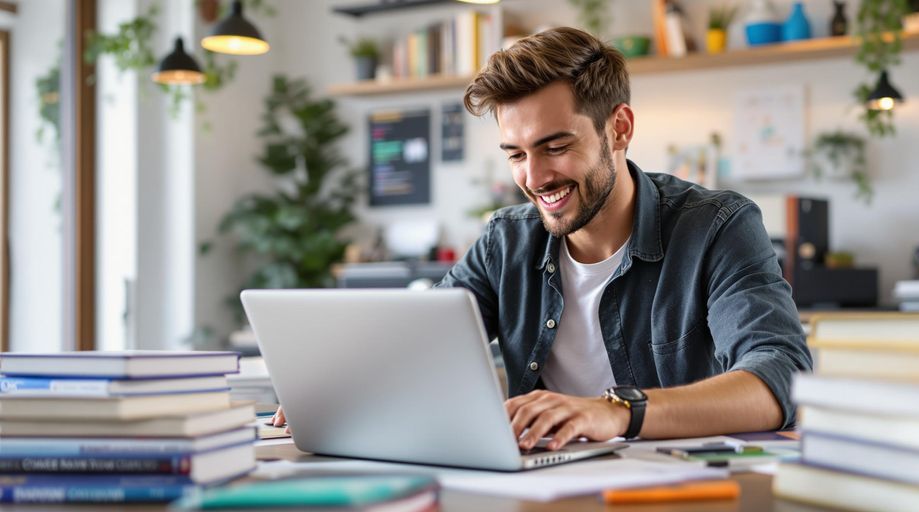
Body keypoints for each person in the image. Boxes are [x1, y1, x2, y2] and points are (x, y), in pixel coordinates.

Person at [274, 27, 812, 451]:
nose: (534, 177)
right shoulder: (505, 242)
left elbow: (781, 377)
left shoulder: (717, 228)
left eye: (555, 146)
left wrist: (615, 412)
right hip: (537, 484)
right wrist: (341, 385)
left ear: (619, 128)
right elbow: (418, 347)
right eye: (515, 154)